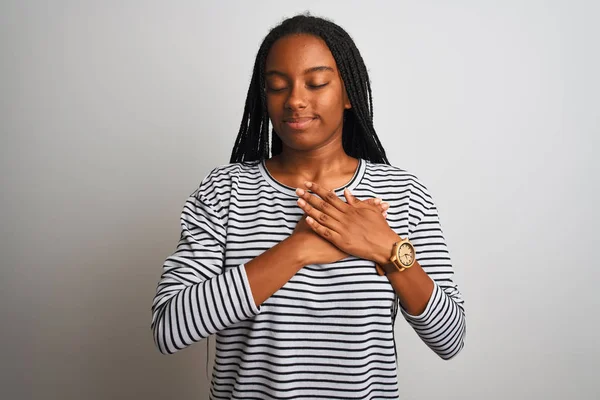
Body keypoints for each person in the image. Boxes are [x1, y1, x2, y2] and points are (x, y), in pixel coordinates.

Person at [151, 13, 466, 399]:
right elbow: (169, 328)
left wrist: (387, 250)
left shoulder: (402, 193)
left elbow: (450, 338)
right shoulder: (225, 191)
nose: (295, 100)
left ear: (349, 93)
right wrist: (296, 250)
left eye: (315, 83)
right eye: (277, 87)